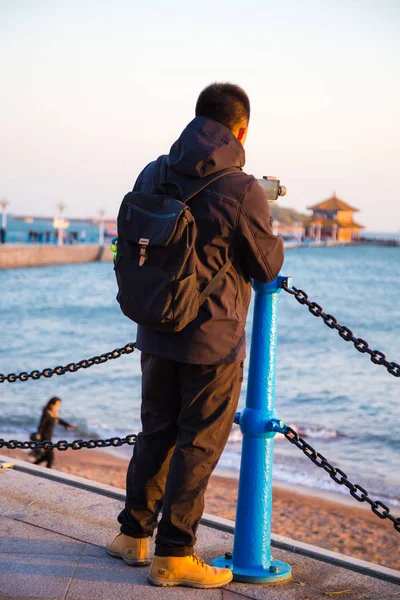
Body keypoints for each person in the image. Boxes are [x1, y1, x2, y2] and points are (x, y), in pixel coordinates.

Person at [107, 82, 284, 588]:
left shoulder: (154, 169)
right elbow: (266, 263)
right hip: (212, 340)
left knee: (156, 431)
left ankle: (133, 537)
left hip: (156, 325)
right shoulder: (242, 188)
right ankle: (175, 555)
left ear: (196, 119)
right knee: (198, 446)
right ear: (242, 129)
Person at [32, 397, 75, 468]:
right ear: (52, 404)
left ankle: (32, 466)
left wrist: (68, 425)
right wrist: (38, 435)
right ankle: (48, 472)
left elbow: (58, 420)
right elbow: (41, 425)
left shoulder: (53, 413)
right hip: (44, 437)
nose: (58, 407)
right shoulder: (46, 413)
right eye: (57, 405)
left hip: (49, 437)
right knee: (50, 457)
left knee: (46, 457)